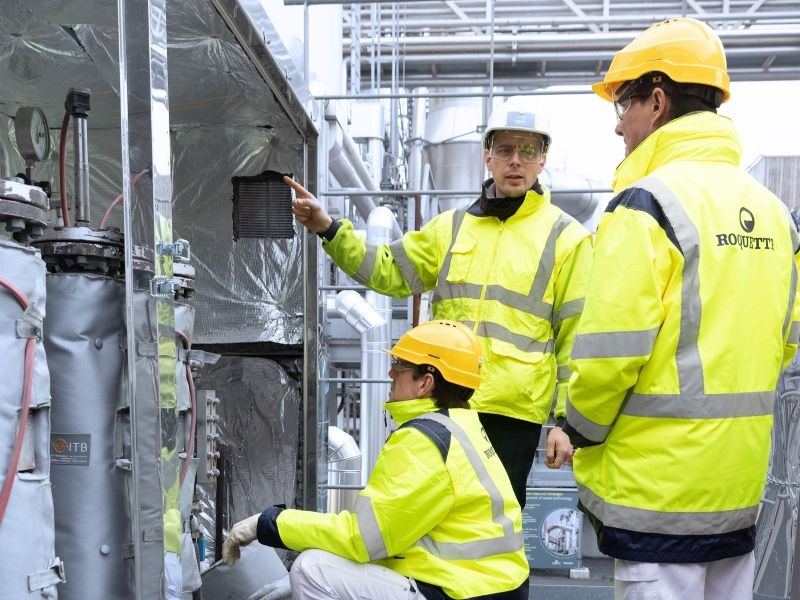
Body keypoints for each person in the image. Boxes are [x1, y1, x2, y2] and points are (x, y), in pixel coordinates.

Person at [551, 17, 800, 600]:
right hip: (737, 494)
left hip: (655, 496)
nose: (618, 128)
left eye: (623, 105)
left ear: (657, 101)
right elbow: (786, 339)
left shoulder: (646, 206)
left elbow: (611, 353)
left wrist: (576, 430)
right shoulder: (776, 215)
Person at [287, 96, 593, 507]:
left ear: (543, 159)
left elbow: (578, 339)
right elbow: (387, 270)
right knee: (433, 519)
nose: (515, 161)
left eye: (528, 150)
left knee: (493, 525)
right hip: (447, 401)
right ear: (488, 157)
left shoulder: (566, 237)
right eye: (505, 150)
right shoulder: (451, 227)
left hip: (511, 415)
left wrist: (566, 423)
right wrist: (329, 228)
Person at [221, 320, 530, 600]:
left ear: (426, 382)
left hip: (460, 592)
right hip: (483, 588)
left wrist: (268, 523)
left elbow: (362, 538)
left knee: (310, 569)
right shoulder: (461, 427)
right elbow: (394, 536)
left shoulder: (424, 440)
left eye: (401, 365)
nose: (390, 372)